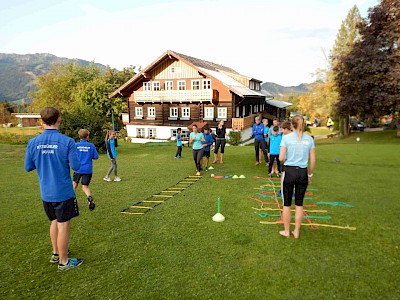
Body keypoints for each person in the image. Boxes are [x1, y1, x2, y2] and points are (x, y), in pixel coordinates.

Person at [24, 106, 84, 272]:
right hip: (63, 192)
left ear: (42, 121)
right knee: (63, 224)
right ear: (59, 119)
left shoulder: (33, 142)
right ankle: (63, 262)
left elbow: (28, 166)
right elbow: (77, 166)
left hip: (46, 193)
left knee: (54, 221)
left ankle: (56, 253)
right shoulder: (68, 142)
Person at [279, 115, 316, 239]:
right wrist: (310, 174)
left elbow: (281, 158)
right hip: (302, 172)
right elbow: (313, 160)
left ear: (291, 125)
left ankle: (286, 231)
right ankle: (296, 231)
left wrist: (286, 158)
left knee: (287, 204)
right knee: (299, 204)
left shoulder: (286, 138)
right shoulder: (309, 139)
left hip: (289, 171)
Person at [73, 129, 99, 211]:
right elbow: (96, 157)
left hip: (78, 169)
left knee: (74, 185)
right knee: (85, 186)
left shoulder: (76, 145)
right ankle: (89, 198)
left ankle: (71, 202)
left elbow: (72, 155)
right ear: (87, 136)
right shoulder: (91, 146)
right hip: (87, 169)